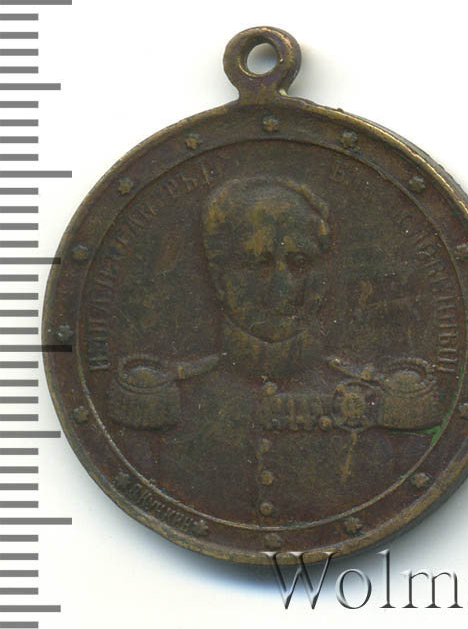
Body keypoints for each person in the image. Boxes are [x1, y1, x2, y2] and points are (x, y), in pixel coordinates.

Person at [108, 176, 441, 547]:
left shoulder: (388, 403)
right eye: (257, 263)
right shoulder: (163, 403)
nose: (284, 288)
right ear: (219, 279)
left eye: (300, 262)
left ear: (323, 275)